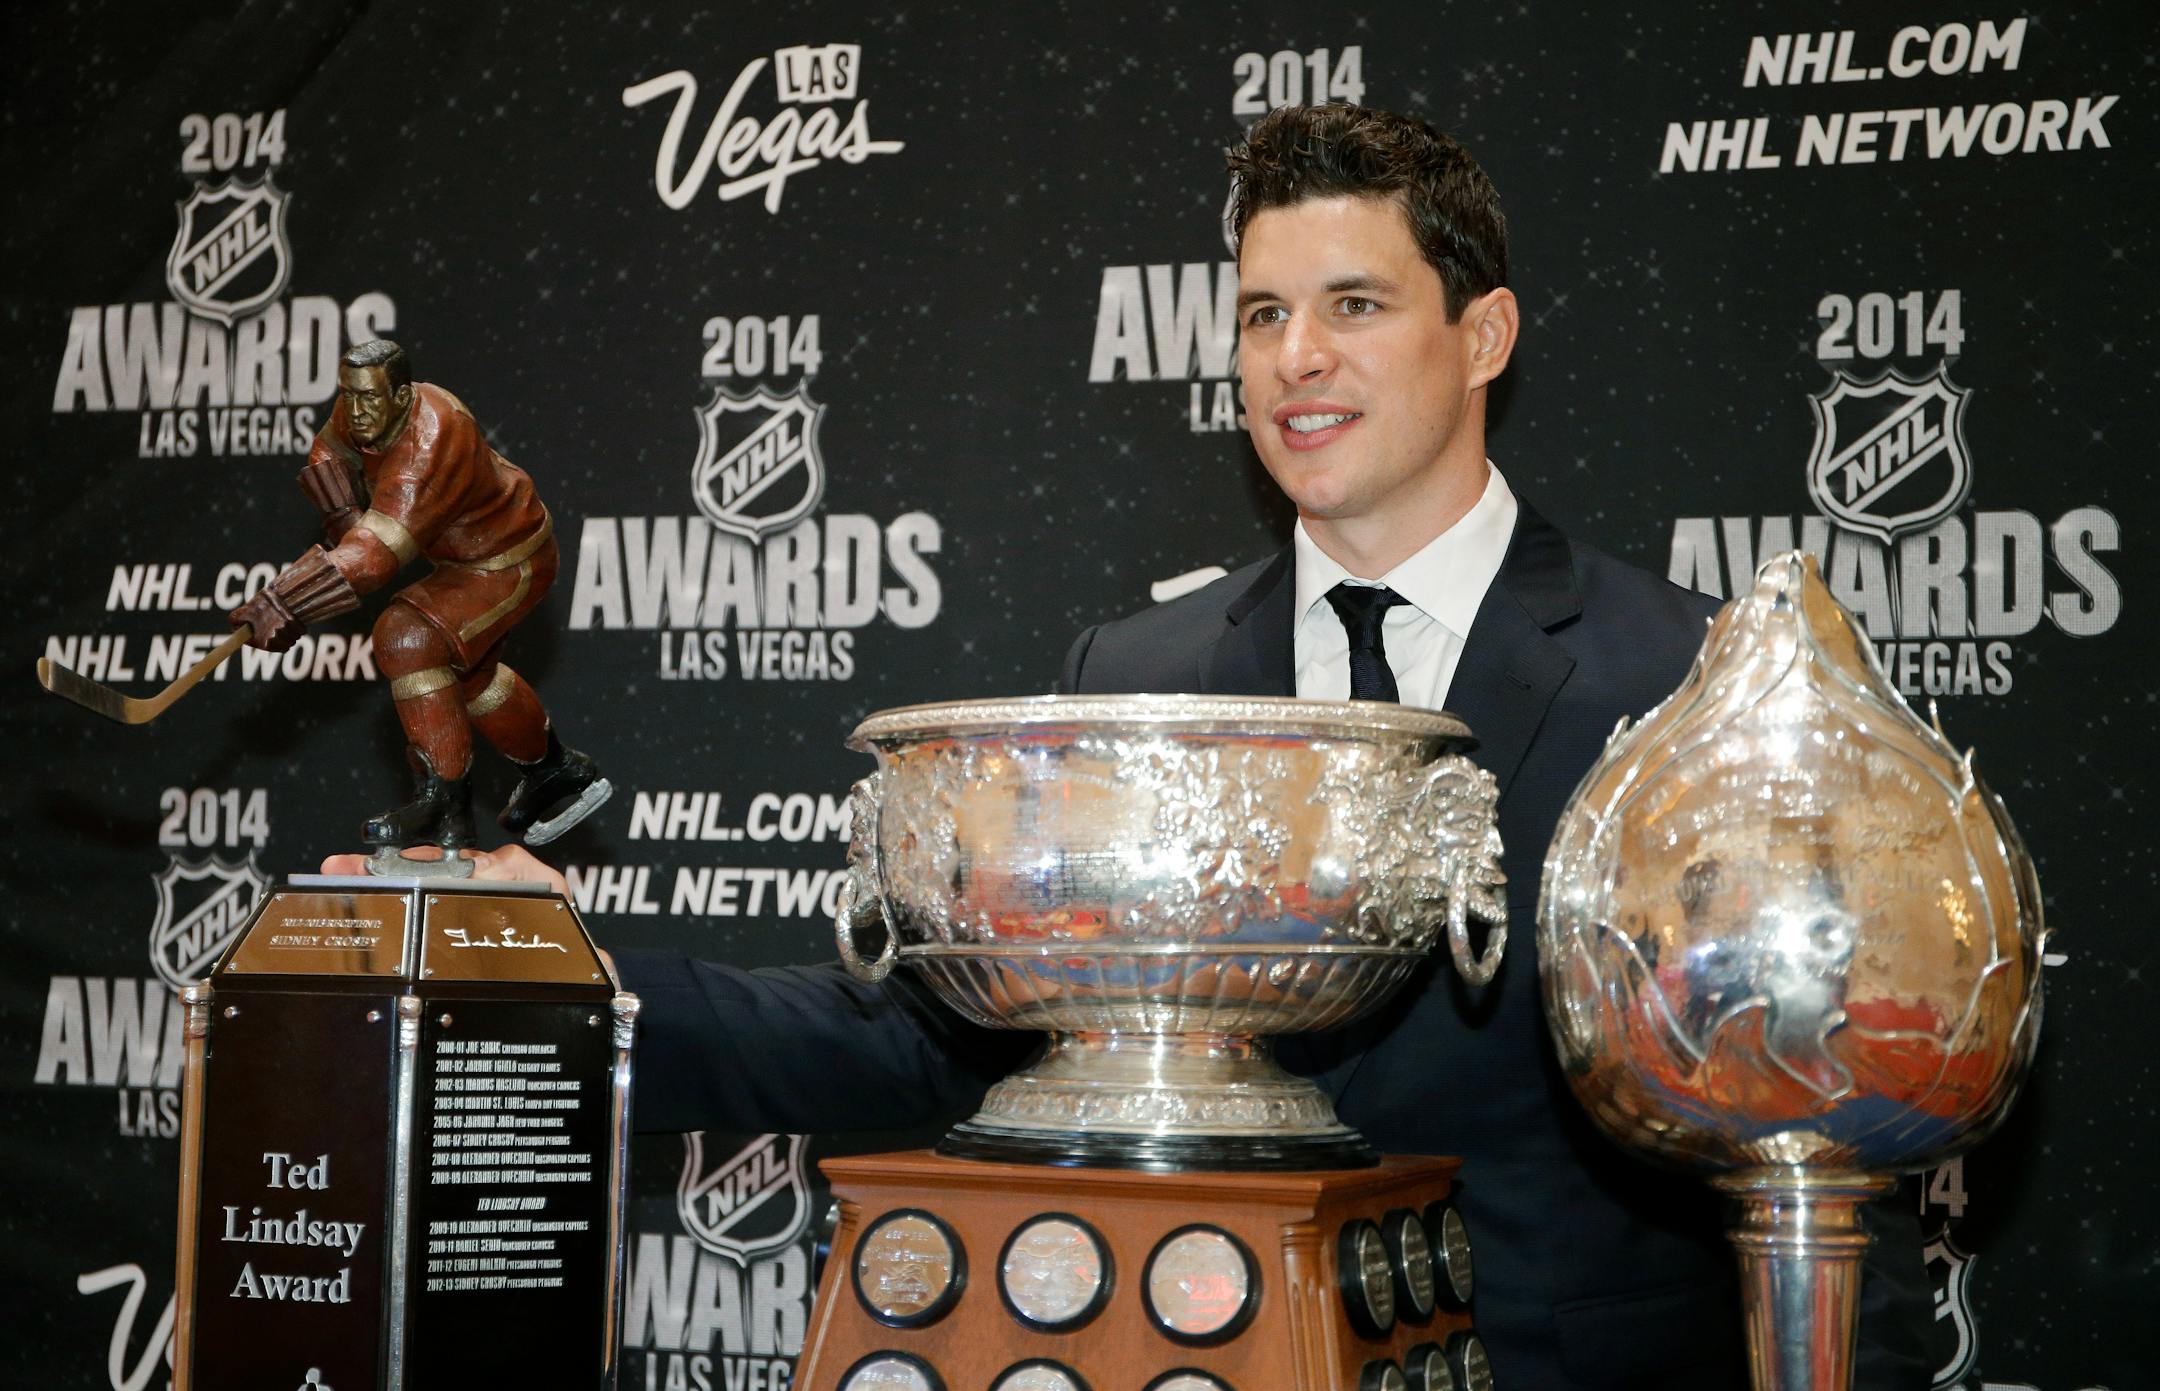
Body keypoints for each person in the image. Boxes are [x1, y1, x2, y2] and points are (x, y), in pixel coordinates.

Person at [366, 107, 1934, 1388]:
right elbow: (939, 1038)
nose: (1294, 357)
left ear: (1486, 334)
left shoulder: (1691, 682)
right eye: (1262, 314)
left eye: (1355, 305)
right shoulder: (1140, 673)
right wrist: (568, 978)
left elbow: (1820, 1125)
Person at [235, 339, 609, 855]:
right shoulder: (361, 408)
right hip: (461, 559)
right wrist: (345, 519)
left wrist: (286, 602)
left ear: (404, 396)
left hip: (506, 560)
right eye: (348, 396)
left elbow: (372, 557)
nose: (356, 411)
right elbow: (328, 454)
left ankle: (444, 806)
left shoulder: (429, 445)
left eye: (370, 399)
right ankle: (556, 771)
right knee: (467, 676)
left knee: (407, 637)